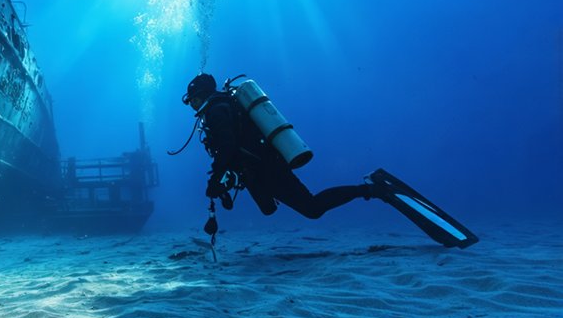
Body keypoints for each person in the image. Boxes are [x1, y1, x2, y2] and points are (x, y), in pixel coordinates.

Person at [180, 73, 479, 247]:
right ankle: (371, 189)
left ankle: (373, 189)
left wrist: (214, 180)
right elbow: (231, 153)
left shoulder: (216, 110)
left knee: (311, 209)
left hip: (267, 167)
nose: (192, 105)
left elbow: (228, 148)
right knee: (269, 209)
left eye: (192, 99)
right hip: (259, 169)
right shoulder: (223, 107)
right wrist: (224, 179)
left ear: (201, 95)